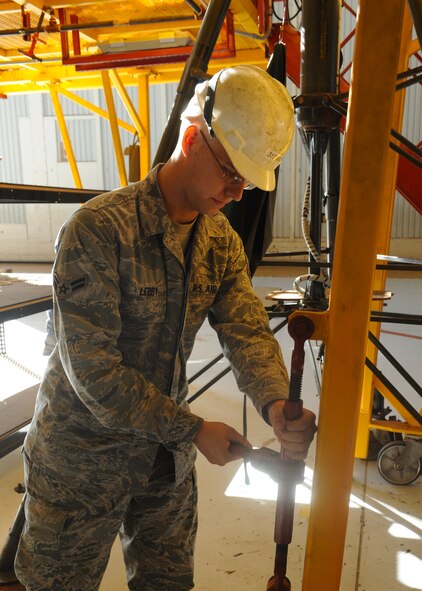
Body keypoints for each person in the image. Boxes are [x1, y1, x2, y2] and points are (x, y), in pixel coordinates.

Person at [15, 65, 317, 591]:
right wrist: (193, 429)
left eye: (248, 178)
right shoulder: (99, 230)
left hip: (163, 469)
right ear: (195, 138)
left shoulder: (218, 239)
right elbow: (94, 373)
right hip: (82, 466)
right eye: (230, 172)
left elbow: (245, 327)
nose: (239, 191)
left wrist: (274, 401)